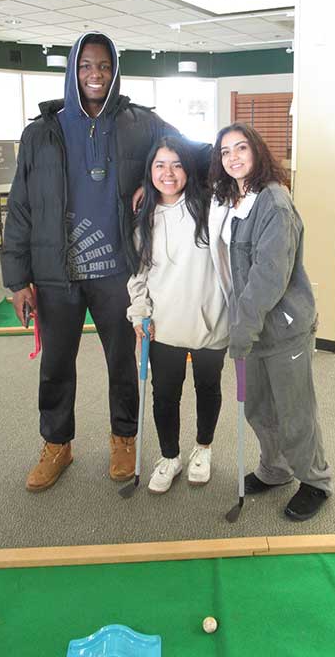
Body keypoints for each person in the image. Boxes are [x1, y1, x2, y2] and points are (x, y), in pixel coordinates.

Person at [1, 32, 209, 492]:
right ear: (73, 69)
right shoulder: (41, 132)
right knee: (56, 363)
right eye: (86, 66)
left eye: (104, 66)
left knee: (123, 362)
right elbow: (20, 208)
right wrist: (17, 280)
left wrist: (156, 182)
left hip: (117, 269)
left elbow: (194, 153)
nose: (95, 75)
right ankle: (57, 444)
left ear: (115, 71)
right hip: (56, 274)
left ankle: (124, 437)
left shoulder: (140, 124)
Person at [207, 123, 332, 521]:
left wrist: (241, 331)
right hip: (251, 327)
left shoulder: (273, 203)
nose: (234, 157)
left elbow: (267, 277)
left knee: (294, 410)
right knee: (259, 408)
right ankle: (275, 469)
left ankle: (315, 480)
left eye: (241, 148)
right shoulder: (232, 198)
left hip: (281, 328)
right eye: (225, 152)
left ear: (258, 152)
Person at [127, 136, 228, 493]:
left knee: (207, 388)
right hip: (162, 324)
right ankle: (169, 456)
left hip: (211, 321)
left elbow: (210, 150)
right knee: (164, 395)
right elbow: (139, 274)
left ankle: (203, 449)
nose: (168, 173)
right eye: (159, 166)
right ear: (148, 172)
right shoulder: (145, 215)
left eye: (176, 164)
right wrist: (139, 311)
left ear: (189, 168)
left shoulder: (212, 206)